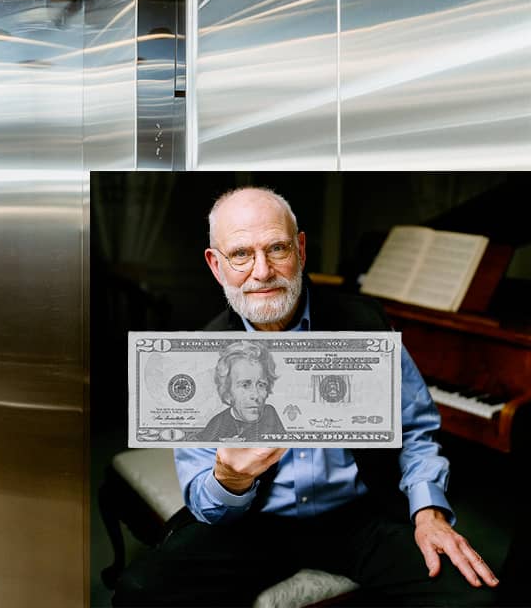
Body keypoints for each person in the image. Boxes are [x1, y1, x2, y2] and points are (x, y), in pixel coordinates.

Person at [114, 186, 499, 606]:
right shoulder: (199, 356)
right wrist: (231, 479)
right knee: (140, 593)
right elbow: (208, 506)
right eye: (241, 254)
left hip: (361, 515)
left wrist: (429, 513)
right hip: (255, 523)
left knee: (474, 598)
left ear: (299, 249)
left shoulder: (366, 325)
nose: (262, 272)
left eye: (276, 248)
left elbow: (416, 430)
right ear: (216, 265)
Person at [198, 339, 286, 443]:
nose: (255, 395)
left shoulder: (270, 417)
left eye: (261, 385)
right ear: (227, 392)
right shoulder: (215, 426)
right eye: (245, 385)